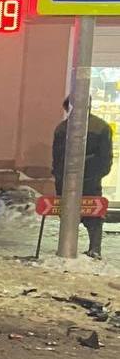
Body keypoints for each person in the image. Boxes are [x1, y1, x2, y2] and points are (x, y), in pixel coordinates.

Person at [52, 97, 112, 258]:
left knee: (70, 214)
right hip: (90, 179)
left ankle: (67, 246)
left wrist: (58, 177)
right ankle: (94, 248)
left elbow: (57, 157)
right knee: (92, 212)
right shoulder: (101, 127)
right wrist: (97, 174)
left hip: (69, 179)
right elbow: (106, 157)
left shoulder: (62, 128)